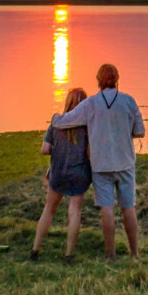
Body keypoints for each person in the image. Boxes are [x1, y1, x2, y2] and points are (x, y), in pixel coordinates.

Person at [52, 63, 145, 261]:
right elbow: (140, 131)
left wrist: (54, 119)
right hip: (125, 162)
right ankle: (135, 253)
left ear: (98, 81)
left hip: (101, 165)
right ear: (117, 79)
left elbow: (65, 121)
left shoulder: (91, 103)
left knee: (107, 208)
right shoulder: (129, 101)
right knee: (128, 207)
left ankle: (110, 255)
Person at [31, 88, 92, 263]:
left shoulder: (56, 122)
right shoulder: (87, 127)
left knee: (49, 210)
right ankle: (69, 254)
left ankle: (35, 250)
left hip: (58, 172)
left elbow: (44, 149)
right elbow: (89, 153)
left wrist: (58, 150)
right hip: (78, 174)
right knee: (74, 212)